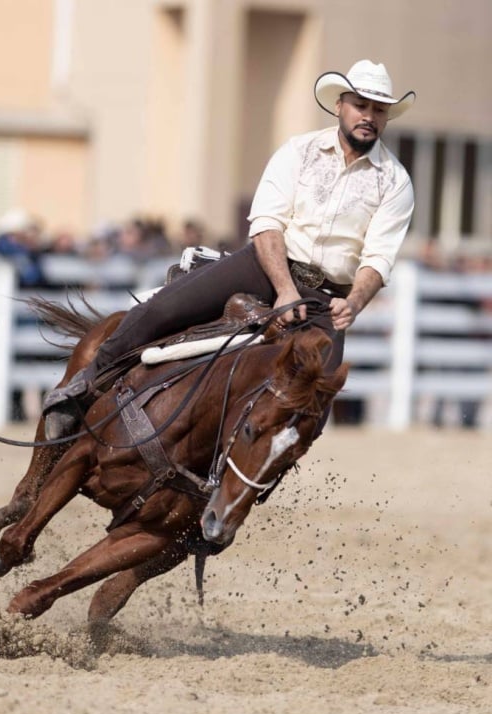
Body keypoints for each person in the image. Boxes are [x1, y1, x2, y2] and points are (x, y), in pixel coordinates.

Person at [43, 59, 416, 440]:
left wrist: (354, 302)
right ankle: (85, 386)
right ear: (340, 105)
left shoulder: (395, 182)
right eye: (361, 105)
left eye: (378, 109)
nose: (368, 116)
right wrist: (285, 288)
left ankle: (235, 486)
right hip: (267, 266)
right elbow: (267, 224)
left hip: (327, 298)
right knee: (163, 307)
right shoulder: (298, 152)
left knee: (311, 413)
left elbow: (378, 258)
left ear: (386, 117)